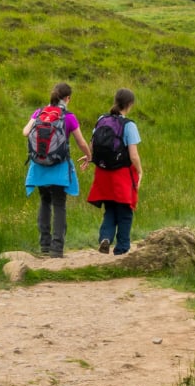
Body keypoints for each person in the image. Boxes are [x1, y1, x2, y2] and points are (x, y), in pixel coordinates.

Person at [23, 83, 92, 258]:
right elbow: (81, 142)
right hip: (59, 166)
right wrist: (89, 156)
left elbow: (25, 132)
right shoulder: (68, 116)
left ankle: (44, 245)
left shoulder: (39, 112)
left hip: (39, 165)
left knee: (45, 201)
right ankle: (57, 248)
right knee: (59, 204)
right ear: (67, 98)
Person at [86, 88, 145, 255]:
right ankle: (122, 249)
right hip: (122, 174)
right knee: (125, 212)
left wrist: (90, 158)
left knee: (110, 209)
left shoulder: (101, 119)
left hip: (103, 173)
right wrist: (140, 171)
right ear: (130, 104)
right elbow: (133, 155)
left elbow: (92, 145)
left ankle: (105, 237)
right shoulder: (129, 125)